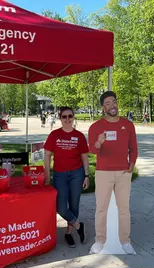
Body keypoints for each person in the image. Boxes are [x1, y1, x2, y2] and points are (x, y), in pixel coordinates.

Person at [88, 91, 138, 254]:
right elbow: (92, 150)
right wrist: (99, 142)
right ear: (103, 107)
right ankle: (99, 240)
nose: (112, 105)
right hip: (103, 173)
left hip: (124, 172)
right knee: (101, 208)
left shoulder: (128, 125)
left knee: (124, 208)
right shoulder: (96, 127)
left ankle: (125, 241)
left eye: (114, 102)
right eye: (108, 103)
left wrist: (131, 164)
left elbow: (134, 148)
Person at [44, 106, 90, 248]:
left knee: (74, 204)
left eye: (70, 116)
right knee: (61, 207)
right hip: (60, 175)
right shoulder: (54, 135)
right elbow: (47, 155)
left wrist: (87, 175)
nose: (67, 119)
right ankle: (78, 226)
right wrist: (47, 175)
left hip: (77, 173)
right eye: (64, 116)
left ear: (73, 117)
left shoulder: (80, 136)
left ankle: (69, 233)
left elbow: (85, 158)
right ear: (60, 118)